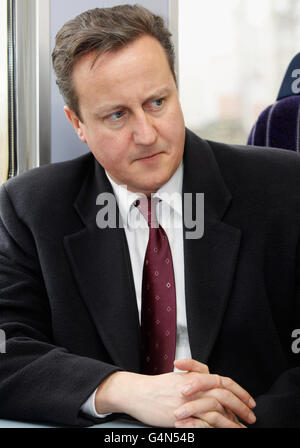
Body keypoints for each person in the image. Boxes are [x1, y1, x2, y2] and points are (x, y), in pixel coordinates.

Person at [0, 4, 300, 429]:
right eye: (117, 115)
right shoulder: (30, 207)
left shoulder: (285, 188)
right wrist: (120, 388)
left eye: (157, 102)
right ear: (78, 123)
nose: (146, 134)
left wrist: (243, 421)